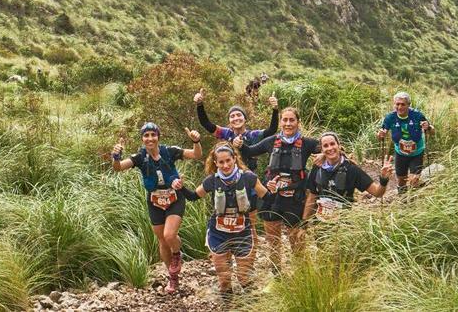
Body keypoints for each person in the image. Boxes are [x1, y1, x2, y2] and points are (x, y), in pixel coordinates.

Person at [110, 122, 203, 294]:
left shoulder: (170, 151)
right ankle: (173, 278)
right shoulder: (140, 157)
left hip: (175, 197)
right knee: (162, 240)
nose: (150, 138)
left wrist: (196, 141)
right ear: (142, 139)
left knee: (169, 235)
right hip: (154, 201)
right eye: (146, 135)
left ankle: (177, 254)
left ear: (158, 137)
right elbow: (118, 168)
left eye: (153, 135)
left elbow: (196, 155)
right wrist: (116, 157)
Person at [178, 145, 270, 302]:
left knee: (243, 278)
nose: (226, 165)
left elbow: (267, 198)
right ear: (216, 163)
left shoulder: (249, 177)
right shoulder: (212, 181)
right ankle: (228, 305)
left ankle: (253, 305)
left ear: (235, 158)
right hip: (218, 233)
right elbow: (193, 196)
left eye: (228, 160)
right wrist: (181, 187)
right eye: (221, 162)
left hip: (242, 231)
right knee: (224, 279)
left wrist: (272, 189)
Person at [238, 107, 319, 269]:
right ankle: (277, 275)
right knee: (273, 241)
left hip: (295, 199)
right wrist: (239, 144)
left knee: (297, 241)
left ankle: (302, 275)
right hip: (272, 198)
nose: (288, 124)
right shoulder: (271, 141)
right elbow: (249, 151)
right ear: (281, 122)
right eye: (285, 120)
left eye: (292, 120)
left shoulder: (307, 143)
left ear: (298, 122)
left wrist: (323, 155)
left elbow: (333, 149)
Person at [303, 132, 392, 221]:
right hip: (320, 223)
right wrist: (304, 224)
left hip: (342, 225)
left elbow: (377, 193)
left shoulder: (352, 170)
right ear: (321, 150)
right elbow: (312, 196)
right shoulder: (317, 167)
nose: (330, 148)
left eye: (332, 144)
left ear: (339, 146)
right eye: (325, 146)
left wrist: (383, 179)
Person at [194, 89, 279, 175]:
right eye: (232, 116)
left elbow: (272, 130)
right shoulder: (225, 133)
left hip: (248, 178)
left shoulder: (254, 135)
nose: (236, 118)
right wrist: (199, 105)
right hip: (227, 177)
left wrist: (275, 109)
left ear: (245, 119)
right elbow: (206, 123)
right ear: (229, 121)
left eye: (239, 115)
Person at [377, 92, 434, 194]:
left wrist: (428, 127)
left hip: (416, 153)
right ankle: (402, 202)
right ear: (394, 104)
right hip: (400, 153)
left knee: (413, 180)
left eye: (403, 104)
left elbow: (432, 131)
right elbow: (380, 135)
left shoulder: (417, 115)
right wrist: (381, 134)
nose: (399, 107)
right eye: (397, 104)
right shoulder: (390, 118)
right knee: (401, 180)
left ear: (408, 105)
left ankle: (413, 200)